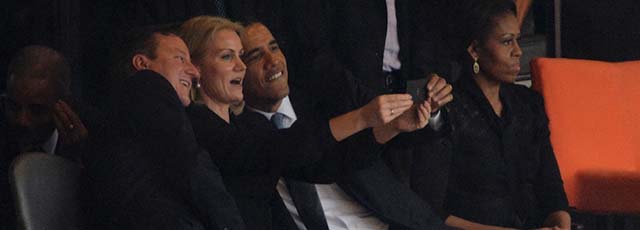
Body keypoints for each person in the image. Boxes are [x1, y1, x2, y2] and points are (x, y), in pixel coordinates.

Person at [179, 16, 438, 230]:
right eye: (229, 57)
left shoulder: (307, 104)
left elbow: (321, 166)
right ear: (195, 69)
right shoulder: (199, 128)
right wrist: (361, 117)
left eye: (240, 56)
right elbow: (281, 148)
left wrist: (388, 127)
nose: (241, 66)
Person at [404, 0, 571, 229]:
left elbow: (552, 189)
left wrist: (561, 223)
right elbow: (430, 210)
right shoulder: (446, 109)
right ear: (474, 50)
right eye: (506, 42)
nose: (518, 51)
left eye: (517, 40)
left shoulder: (529, 104)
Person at [84, 25, 245, 230]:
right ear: (142, 63)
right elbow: (190, 164)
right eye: (180, 59)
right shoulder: (146, 84)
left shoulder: (132, 115)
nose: (194, 71)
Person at [0, 45, 92, 229]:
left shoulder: (96, 137)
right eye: (13, 107)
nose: (22, 120)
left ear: (65, 105)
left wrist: (79, 160)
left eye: (37, 110)